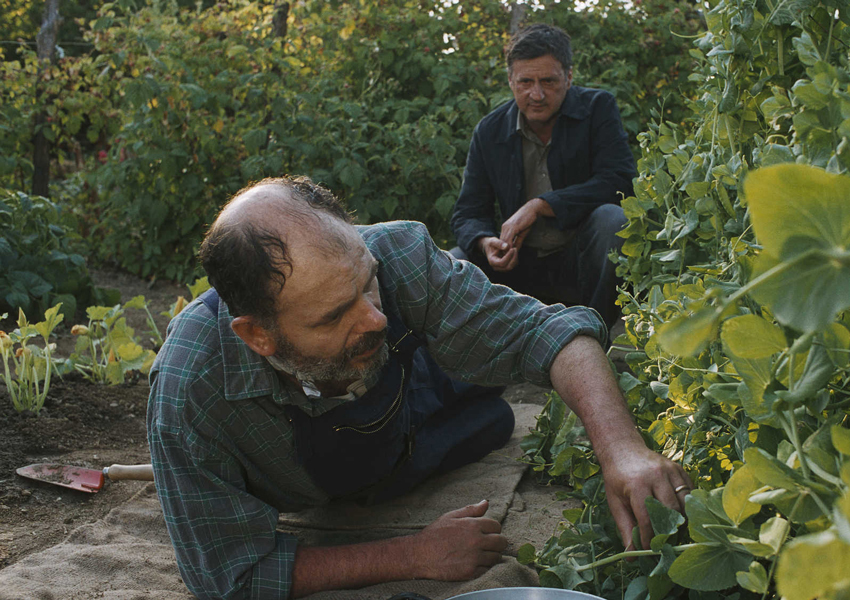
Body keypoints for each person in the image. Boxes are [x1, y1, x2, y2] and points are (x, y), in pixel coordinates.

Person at [147, 176, 691, 600]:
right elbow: (231, 577)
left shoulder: (398, 254)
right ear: (258, 336)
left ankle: (455, 378)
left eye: (367, 281)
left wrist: (621, 449)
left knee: (493, 409)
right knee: (492, 420)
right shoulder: (190, 392)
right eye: (336, 313)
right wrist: (414, 555)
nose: (375, 318)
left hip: (407, 384)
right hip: (357, 476)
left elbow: (543, 330)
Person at [450, 23, 636, 331]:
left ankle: (591, 337)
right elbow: (467, 214)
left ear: (569, 77)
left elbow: (620, 181)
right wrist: (486, 243)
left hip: (581, 264)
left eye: (548, 81)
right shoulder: (490, 130)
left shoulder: (597, 108)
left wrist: (540, 205)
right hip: (518, 267)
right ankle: (471, 371)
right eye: (525, 82)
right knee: (456, 262)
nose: (536, 94)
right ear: (511, 81)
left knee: (613, 221)